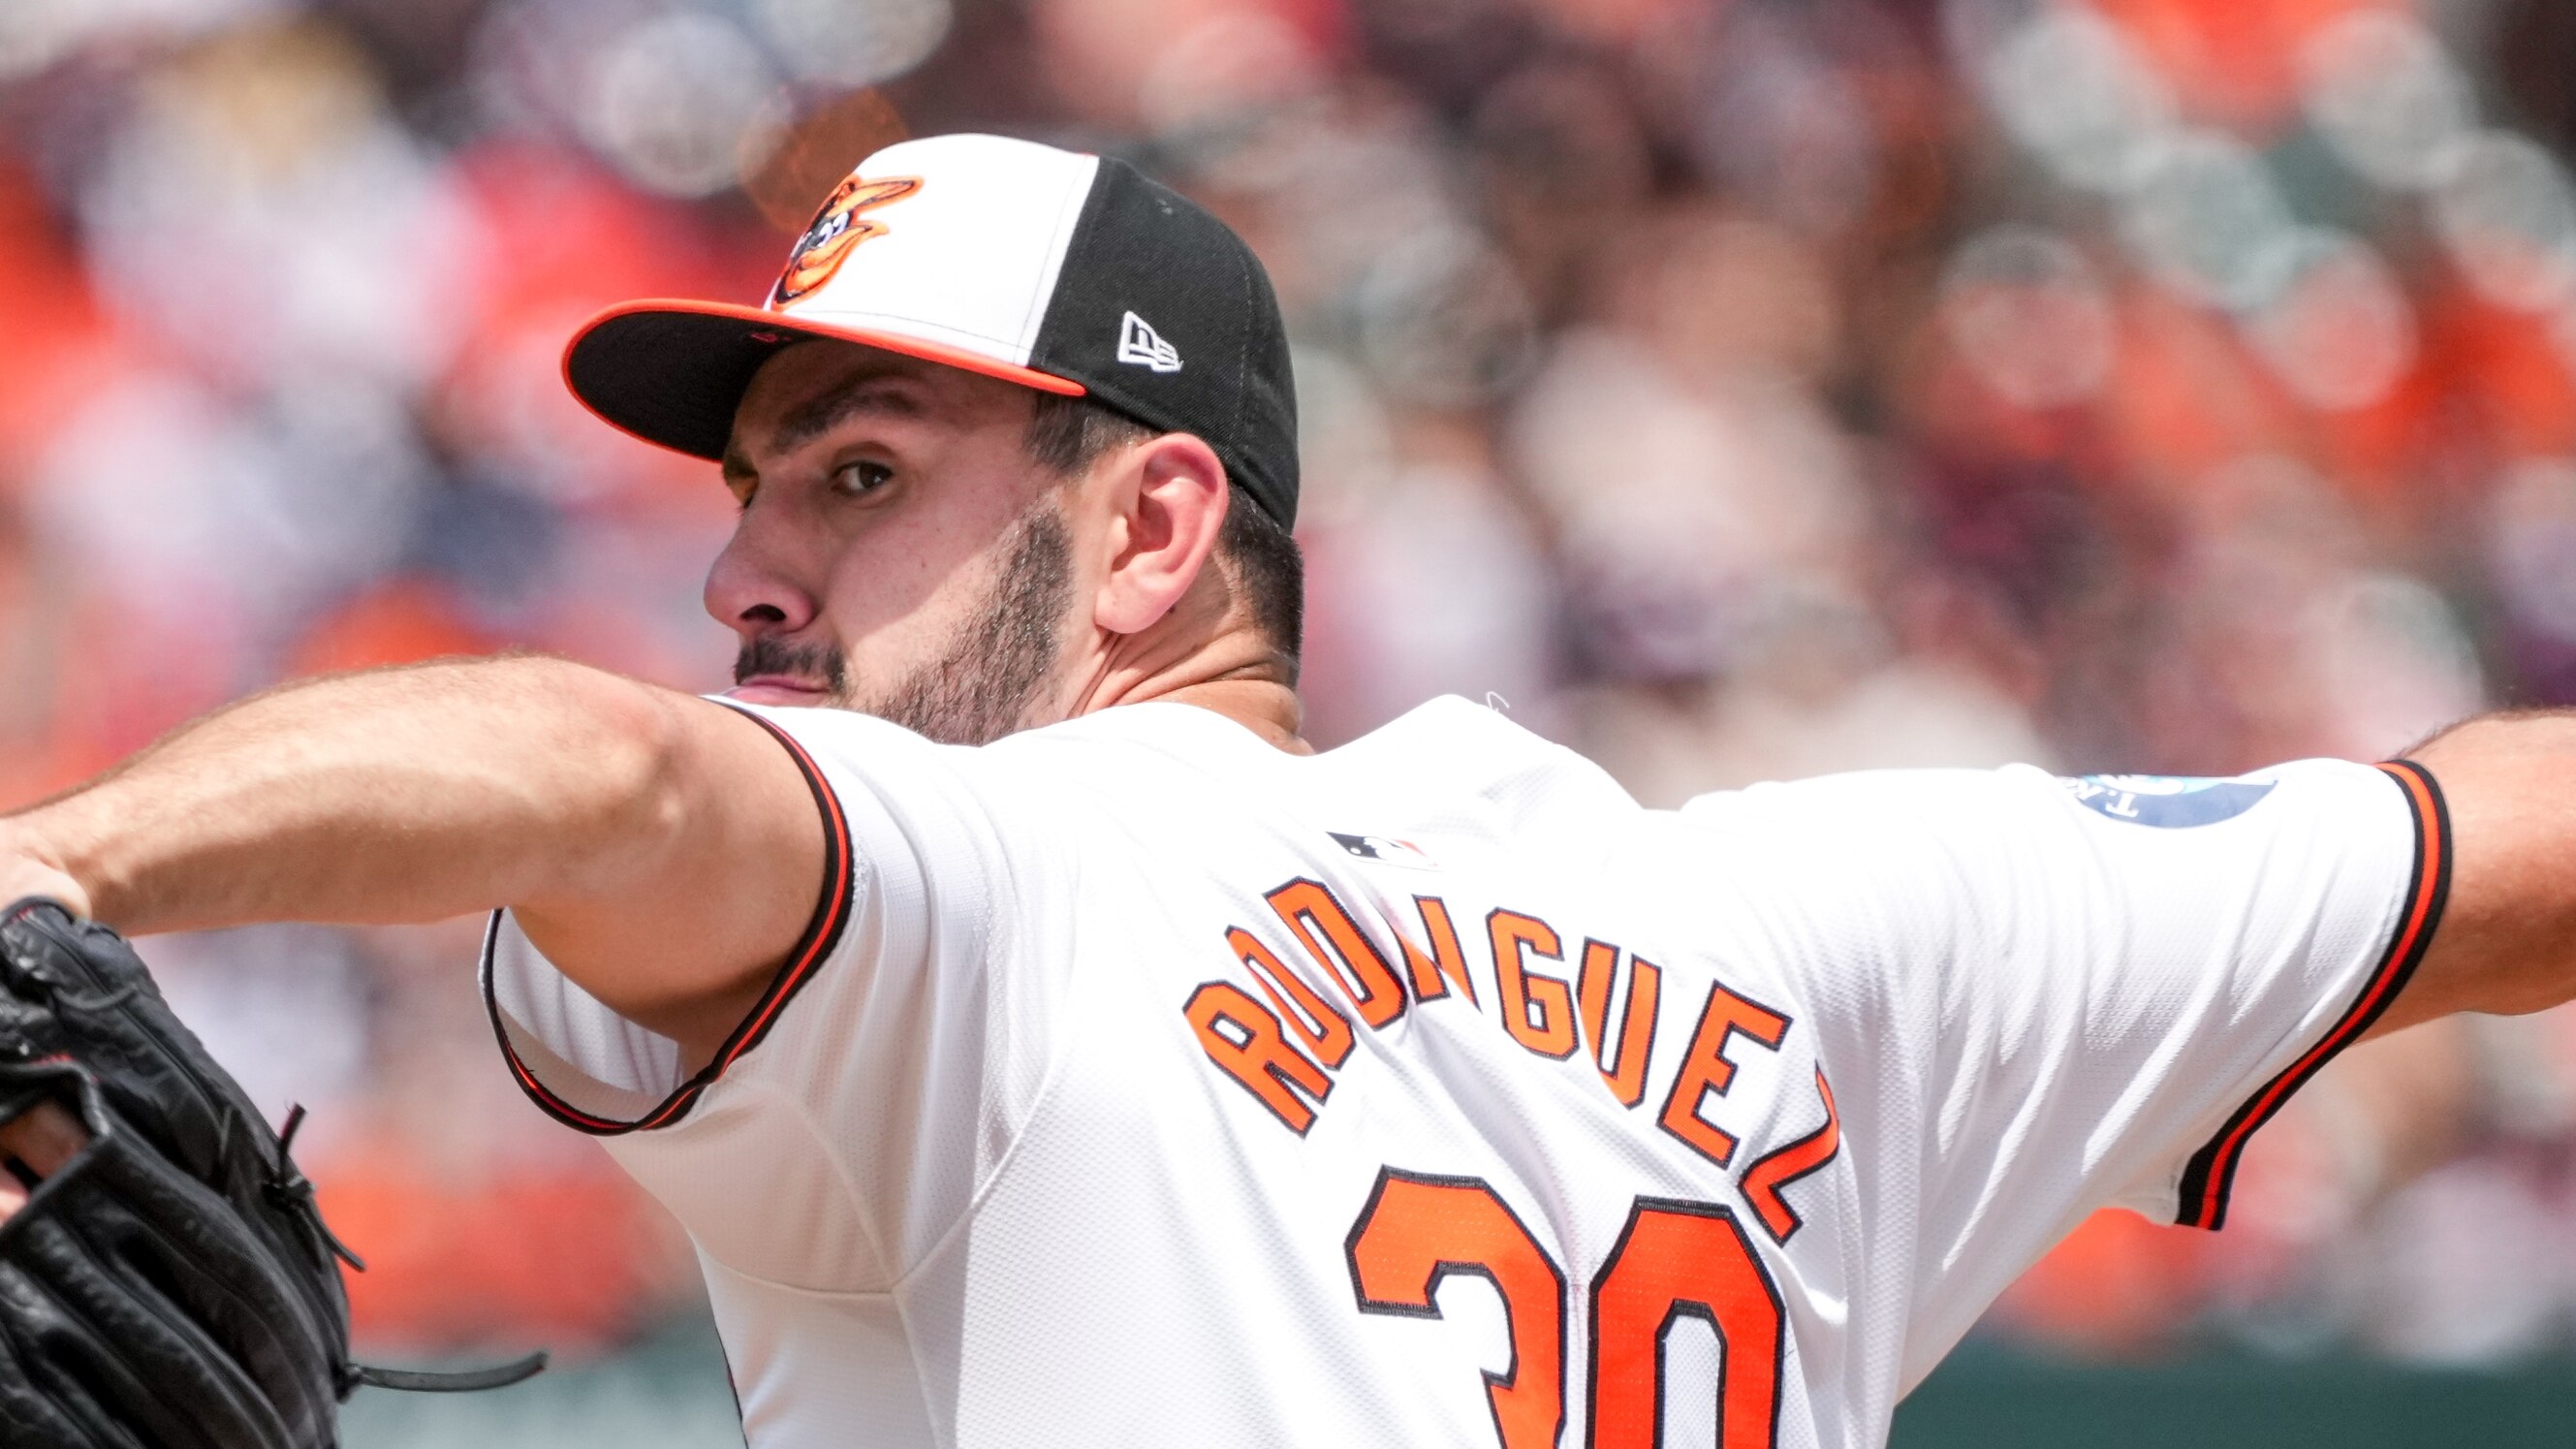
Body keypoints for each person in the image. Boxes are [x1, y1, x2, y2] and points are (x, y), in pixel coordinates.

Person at [0, 131, 2568, 1449]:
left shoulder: (990, 889)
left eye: (857, 478)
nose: (748, 578)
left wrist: (50, 863)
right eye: (748, 494)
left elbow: (583, 761)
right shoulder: (1824, 915)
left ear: (1149, 523)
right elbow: (2485, 839)